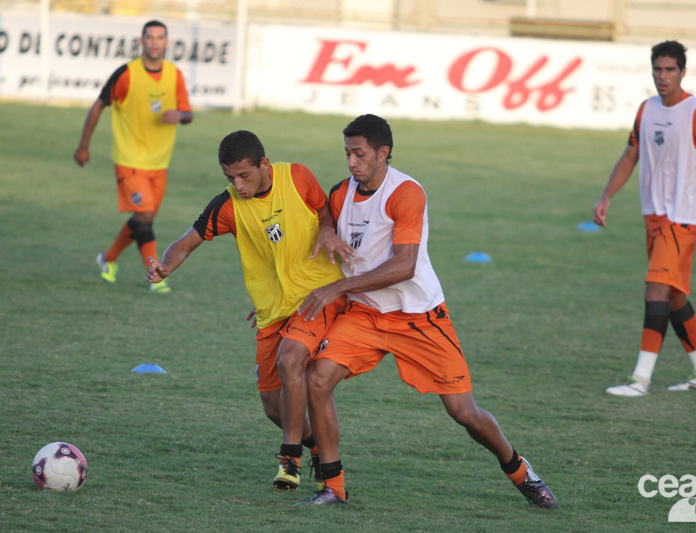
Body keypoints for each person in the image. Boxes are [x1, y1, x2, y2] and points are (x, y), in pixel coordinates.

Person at [292, 114, 557, 508]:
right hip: (366, 315)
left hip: (419, 317)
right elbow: (324, 211)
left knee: (463, 412)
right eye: (347, 153)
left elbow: (405, 266)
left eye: (359, 154)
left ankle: (518, 468)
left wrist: (339, 287)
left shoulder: (406, 193)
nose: (351, 162)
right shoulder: (340, 191)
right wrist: (327, 228)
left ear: (383, 153)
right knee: (317, 379)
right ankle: (334, 486)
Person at [146, 130, 350, 491]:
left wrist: (327, 230)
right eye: (230, 177)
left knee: (291, 358)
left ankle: (290, 459)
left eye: (244, 175)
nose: (238, 185)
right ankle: (318, 447)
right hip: (273, 309)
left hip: (317, 297)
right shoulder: (227, 206)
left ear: (264, 164)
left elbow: (323, 209)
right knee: (273, 405)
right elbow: (187, 242)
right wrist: (165, 266)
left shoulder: (297, 176)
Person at [593, 41, 696, 397]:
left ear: (683, 72)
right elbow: (630, 155)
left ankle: (640, 380)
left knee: (655, 288)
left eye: (669, 70)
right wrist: (606, 196)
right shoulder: (646, 109)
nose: (662, 76)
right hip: (654, 218)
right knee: (674, 298)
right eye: (658, 69)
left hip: (682, 220)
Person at [74, 20, 193, 293]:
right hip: (129, 160)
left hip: (159, 163)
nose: (154, 42)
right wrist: (83, 146)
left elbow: (188, 113)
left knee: (143, 220)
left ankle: (107, 259)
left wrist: (180, 115)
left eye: (160, 37)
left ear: (167, 42)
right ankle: (157, 276)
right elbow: (98, 105)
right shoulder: (126, 74)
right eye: (149, 37)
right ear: (141, 41)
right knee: (145, 215)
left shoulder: (174, 74)